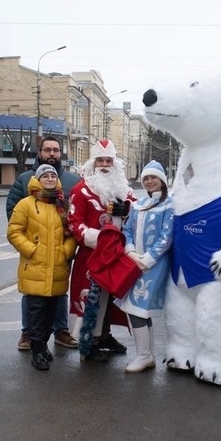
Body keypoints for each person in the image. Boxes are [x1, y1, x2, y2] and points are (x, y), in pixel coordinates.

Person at [6, 135, 80, 351]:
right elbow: (14, 211)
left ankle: (61, 330)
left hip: (59, 251)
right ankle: (28, 332)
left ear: (60, 153)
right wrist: (32, 244)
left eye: (55, 150)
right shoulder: (24, 179)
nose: (51, 154)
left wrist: (66, 250)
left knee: (59, 292)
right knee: (32, 293)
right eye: (47, 150)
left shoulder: (72, 182)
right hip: (36, 252)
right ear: (39, 153)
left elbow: (75, 218)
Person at [68, 138, 135, 360]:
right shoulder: (81, 190)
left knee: (111, 298)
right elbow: (74, 221)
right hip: (92, 255)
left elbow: (138, 214)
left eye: (108, 160)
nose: (104, 165)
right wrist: (98, 238)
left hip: (116, 255)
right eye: (100, 161)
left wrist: (126, 210)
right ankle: (88, 343)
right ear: (92, 163)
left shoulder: (124, 191)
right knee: (91, 299)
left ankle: (103, 335)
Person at [114, 161, 173, 373]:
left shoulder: (169, 205)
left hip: (154, 265)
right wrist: (130, 251)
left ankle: (144, 355)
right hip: (134, 263)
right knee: (140, 310)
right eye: (146, 178)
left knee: (136, 308)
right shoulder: (138, 204)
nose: (149, 181)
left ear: (162, 181)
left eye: (153, 178)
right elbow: (127, 230)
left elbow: (167, 237)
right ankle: (147, 355)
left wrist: (147, 259)